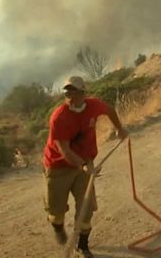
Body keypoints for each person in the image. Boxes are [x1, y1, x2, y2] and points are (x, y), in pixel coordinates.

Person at [42, 76, 128, 258]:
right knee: (56, 211)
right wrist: (83, 166)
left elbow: (110, 111)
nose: (70, 97)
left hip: (85, 162)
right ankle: (57, 226)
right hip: (58, 167)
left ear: (83, 93)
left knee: (86, 208)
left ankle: (82, 246)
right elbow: (64, 150)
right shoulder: (59, 117)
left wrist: (119, 128)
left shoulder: (94, 105)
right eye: (67, 93)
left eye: (74, 92)